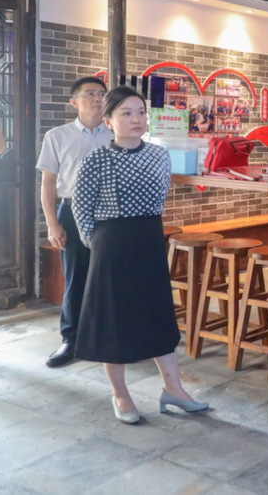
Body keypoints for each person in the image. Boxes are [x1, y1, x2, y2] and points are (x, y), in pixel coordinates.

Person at [72, 86, 207, 424]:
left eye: (141, 112)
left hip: (148, 238)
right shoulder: (96, 159)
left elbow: (159, 198)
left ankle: (174, 388)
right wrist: (97, 244)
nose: (136, 119)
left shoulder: (159, 155)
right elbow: (81, 207)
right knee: (113, 318)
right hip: (111, 243)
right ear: (108, 121)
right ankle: (120, 394)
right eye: (126, 113)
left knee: (157, 313)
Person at [35, 76, 113, 368]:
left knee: (109, 277)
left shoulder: (115, 134)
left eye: (101, 93)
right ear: (74, 102)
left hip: (110, 214)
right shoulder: (57, 136)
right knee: (75, 277)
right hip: (71, 211)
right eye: (90, 93)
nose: (97, 98)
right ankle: (71, 339)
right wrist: (52, 223)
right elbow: (48, 183)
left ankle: (107, 338)